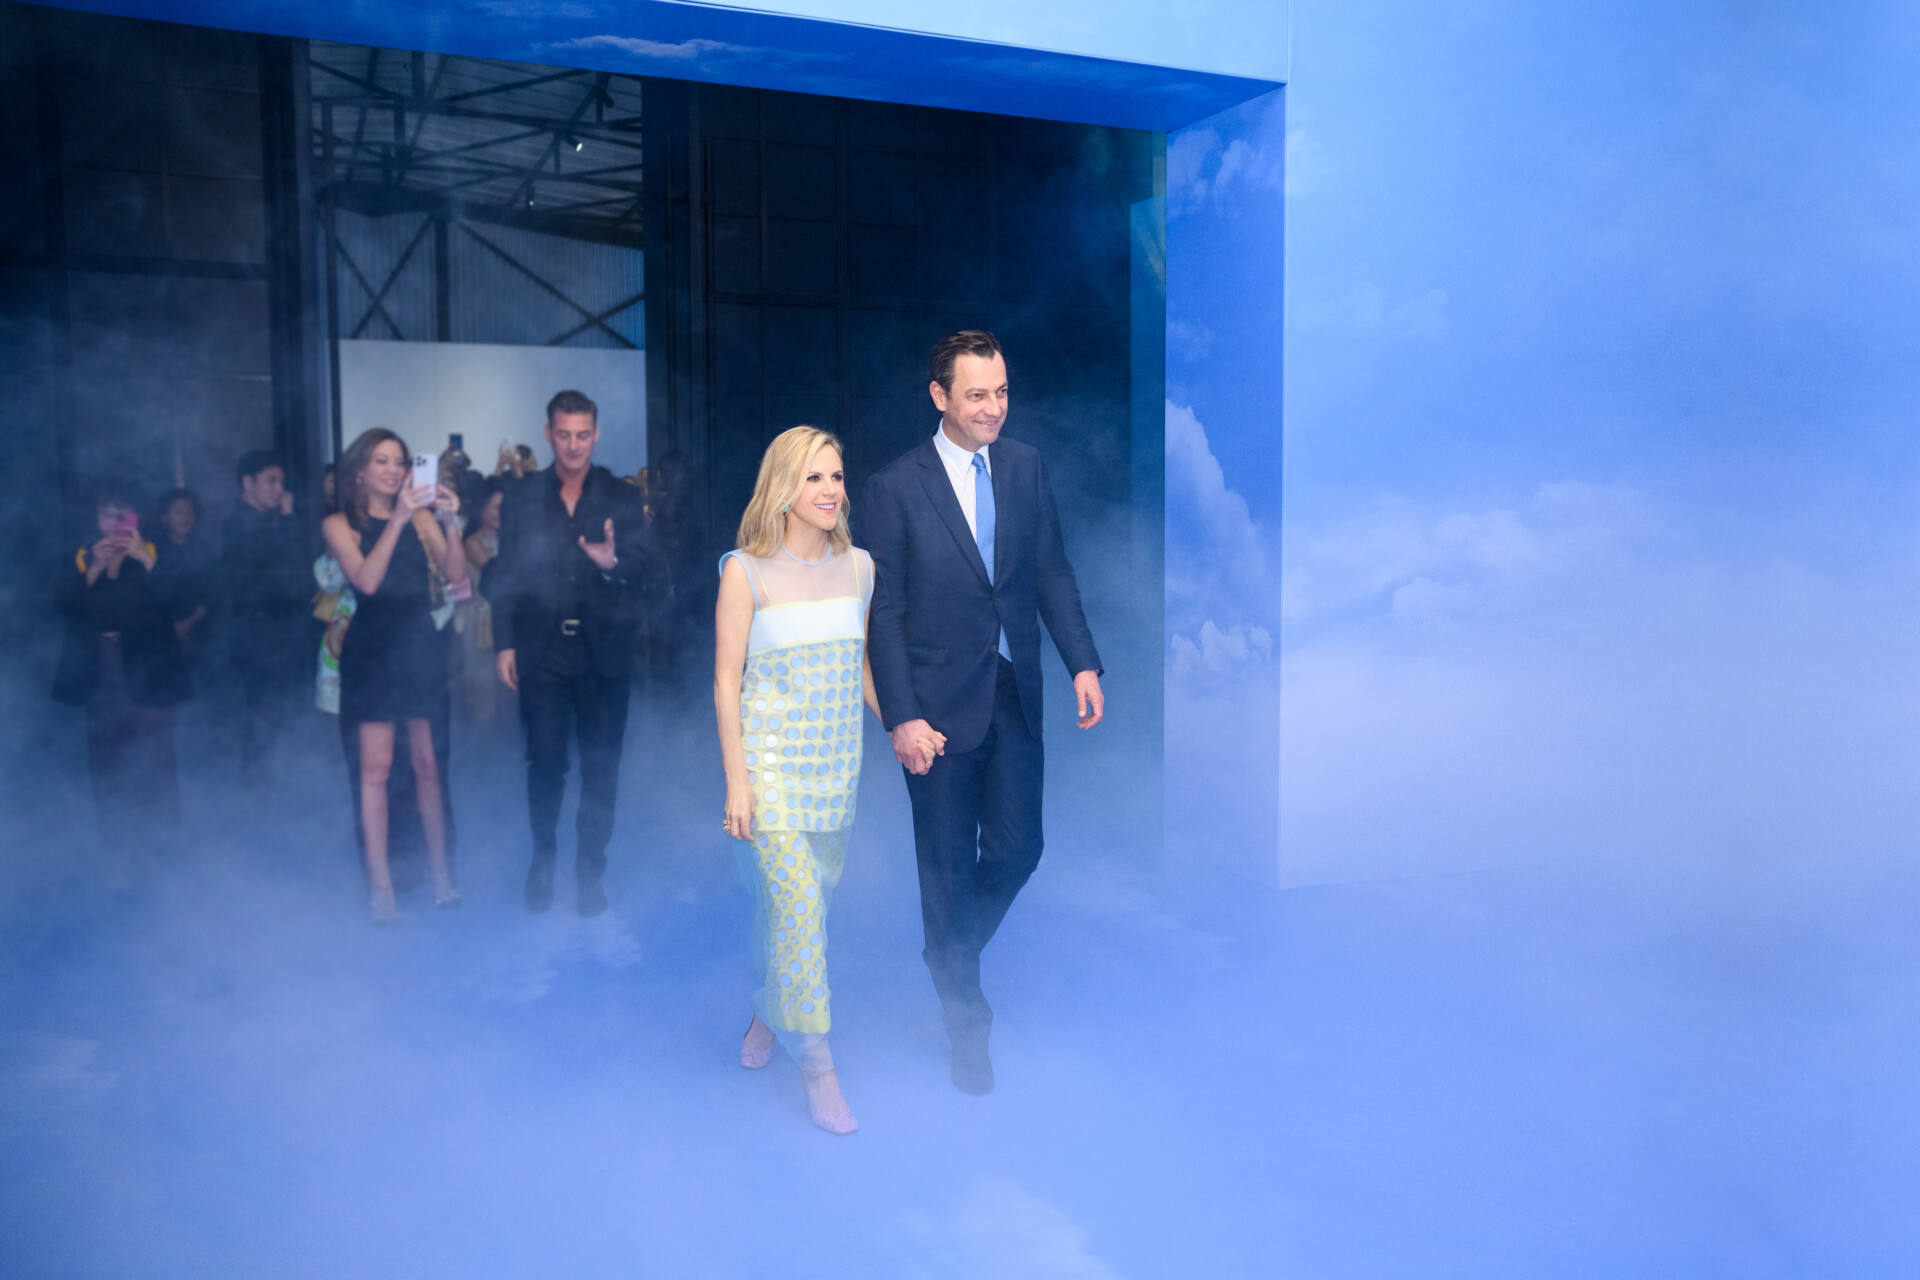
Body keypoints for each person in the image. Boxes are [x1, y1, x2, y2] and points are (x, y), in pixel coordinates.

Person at [859, 330, 1106, 1095]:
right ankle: (967, 1022)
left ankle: (948, 952)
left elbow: (1050, 571)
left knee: (1019, 848)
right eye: (977, 394)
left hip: (1014, 691)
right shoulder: (893, 488)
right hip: (933, 710)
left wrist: (1082, 661)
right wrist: (900, 716)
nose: (994, 407)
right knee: (944, 868)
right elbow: (883, 615)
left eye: (1001, 392)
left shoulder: (1025, 466)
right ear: (940, 396)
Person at [714, 426, 903, 1136]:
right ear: (782, 488)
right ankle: (819, 1069)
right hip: (770, 773)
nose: (829, 490)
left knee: (798, 912)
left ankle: (767, 1012)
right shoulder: (746, 573)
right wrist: (738, 783)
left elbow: (859, 668)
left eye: (836, 476)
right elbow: (725, 683)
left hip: (835, 772)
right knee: (796, 908)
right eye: (813, 477)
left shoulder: (861, 569)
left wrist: (900, 726)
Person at [489, 391, 654, 916]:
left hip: (605, 655)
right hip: (542, 653)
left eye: (583, 434)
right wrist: (504, 642)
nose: (574, 445)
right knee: (544, 764)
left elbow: (652, 573)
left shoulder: (621, 496)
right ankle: (542, 862)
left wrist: (612, 563)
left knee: (601, 770)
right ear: (548, 434)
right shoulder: (522, 496)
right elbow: (504, 574)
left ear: (596, 435)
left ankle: (589, 874)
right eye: (564, 434)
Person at [321, 428, 468, 922]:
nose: (392, 470)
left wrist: (449, 523)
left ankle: (440, 872)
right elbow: (366, 581)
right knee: (376, 770)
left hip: (420, 646)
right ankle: (381, 887)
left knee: (428, 765)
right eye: (380, 461)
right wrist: (399, 518)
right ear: (359, 471)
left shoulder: (422, 516)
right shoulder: (338, 524)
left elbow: (456, 578)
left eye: (399, 461)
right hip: (371, 652)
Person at [52, 480, 191, 876]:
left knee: (156, 757)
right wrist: (94, 569)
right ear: (95, 518)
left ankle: (162, 850)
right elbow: (59, 604)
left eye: (122, 515)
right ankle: (117, 851)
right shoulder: (82, 557)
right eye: (107, 515)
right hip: (101, 668)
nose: (114, 524)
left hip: (150, 668)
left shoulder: (155, 552)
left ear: (136, 519)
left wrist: (146, 560)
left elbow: (182, 602)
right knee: (106, 760)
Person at [221, 450, 311, 798]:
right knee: (262, 710)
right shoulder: (241, 525)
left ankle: (265, 780)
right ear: (248, 483)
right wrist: (288, 517)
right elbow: (285, 570)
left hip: (271, 633)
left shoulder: (259, 521)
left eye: (281, 482)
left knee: (271, 710)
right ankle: (257, 787)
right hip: (257, 634)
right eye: (271, 481)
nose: (279, 489)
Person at [148, 487, 214, 667]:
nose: (186, 517)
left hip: (198, 630)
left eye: (190, 512)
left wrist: (189, 623)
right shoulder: (151, 549)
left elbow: (212, 594)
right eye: (178, 512)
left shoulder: (204, 549)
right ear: (165, 518)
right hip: (159, 633)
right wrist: (171, 629)